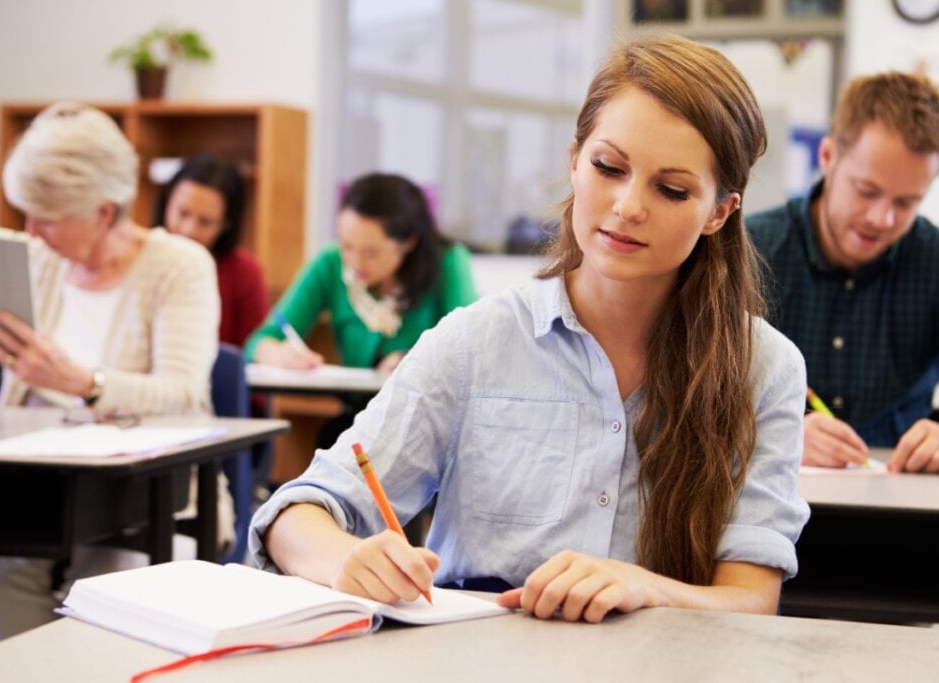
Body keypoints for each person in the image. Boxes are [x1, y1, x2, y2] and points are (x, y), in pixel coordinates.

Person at [249, 35, 809, 622]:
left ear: (720, 211)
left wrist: (644, 586)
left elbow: (751, 599)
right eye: (608, 167)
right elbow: (296, 513)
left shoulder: (763, 368)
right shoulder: (475, 342)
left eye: (671, 190)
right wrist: (345, 560)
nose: (627, 206)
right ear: (574, 159)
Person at [0, 101, 225, 642]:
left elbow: (183, 392)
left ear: (105, 211)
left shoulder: (179, 266)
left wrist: (84, 384)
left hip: (145, 495)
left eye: (46, 216)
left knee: (109, 595)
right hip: (38, 488)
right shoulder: (41, 259)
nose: (31, 230)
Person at [747, 72, 939, 474]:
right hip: (768, 495)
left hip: (895, 506)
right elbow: (678, 398)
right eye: (867, 191)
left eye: (906, 202)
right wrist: (770, 431)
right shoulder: (750, 250)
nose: (881, 219)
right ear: (827, 157)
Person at [244, 172, 477, 375]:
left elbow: (469, 349)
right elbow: (258, 342)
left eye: (371, 253)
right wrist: (277, 353)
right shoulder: (330, 263)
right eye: (346, 245)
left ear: (408, 241)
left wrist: (413, 362)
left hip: (426, 415)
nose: (355, 262)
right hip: (356, 414)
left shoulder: (448, 261)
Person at [155, 152, 269, 348]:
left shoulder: (244, 272)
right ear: (167, 203)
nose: (188, 230)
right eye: (182, 213)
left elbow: (253, 347)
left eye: (205, 222)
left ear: (226, 224)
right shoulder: (140, 256)